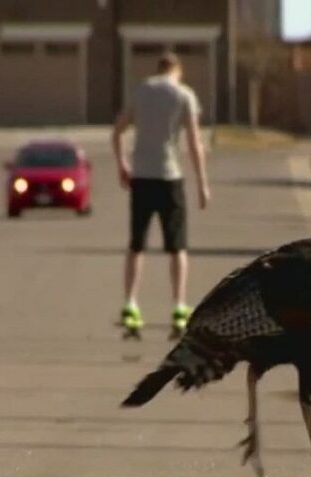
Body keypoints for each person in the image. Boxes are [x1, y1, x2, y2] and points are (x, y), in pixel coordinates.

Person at [112, 51, 211, 335]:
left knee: (136, 244)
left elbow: (116, 132)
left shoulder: (141, 91)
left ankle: (130, 303)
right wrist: (202, 183)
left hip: (141, 177)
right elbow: (194, 143)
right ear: (177, 71)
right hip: (170, 177)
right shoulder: (183, 95)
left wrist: (122, 165)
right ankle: (179, 306)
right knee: (177, 247)